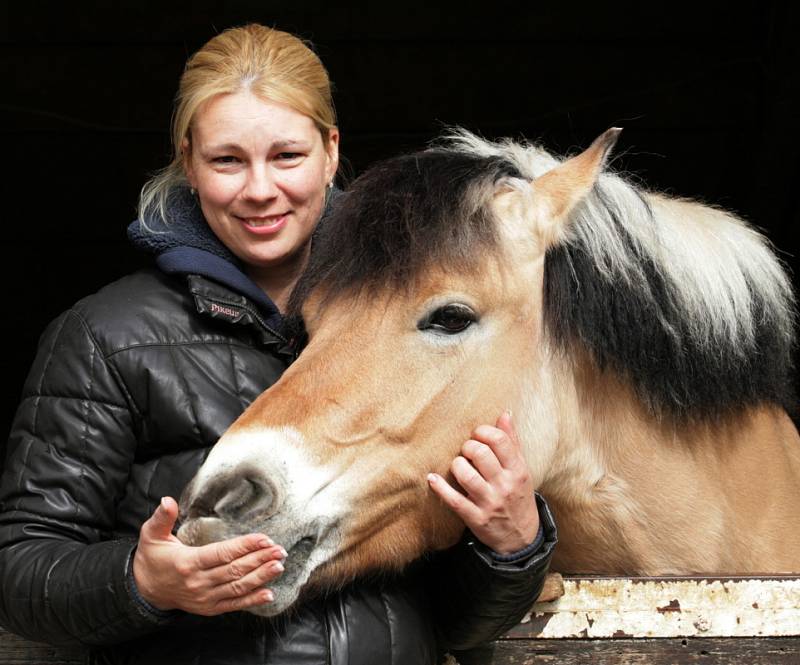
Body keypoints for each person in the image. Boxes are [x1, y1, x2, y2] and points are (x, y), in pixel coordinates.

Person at [0, 24, 556, 665]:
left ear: (331, 152)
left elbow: (455, 623)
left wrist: (511, 547)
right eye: (227, 160)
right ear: (190, 163)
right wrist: (141, 583)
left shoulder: (423, 328)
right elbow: (21, 570)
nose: (260, 189)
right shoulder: (107, 336)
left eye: (287, 156)